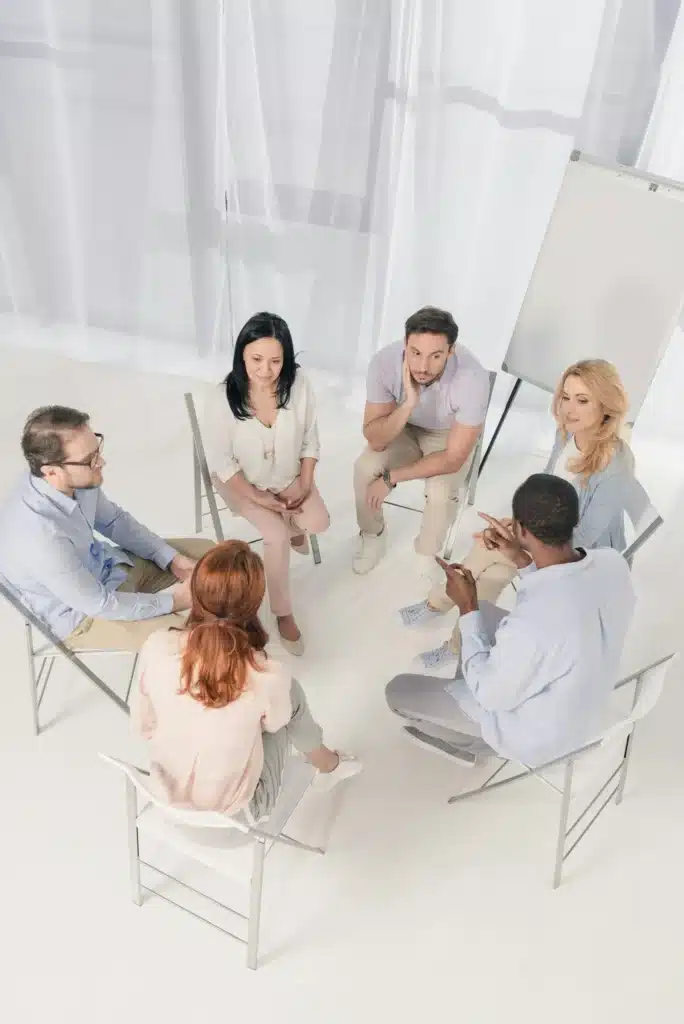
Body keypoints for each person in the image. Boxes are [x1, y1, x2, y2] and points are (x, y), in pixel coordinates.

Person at [386, 474, 635, 768]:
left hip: (540, 736)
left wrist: (466, 606)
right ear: (574, 521)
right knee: (486, 612)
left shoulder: (536, 623)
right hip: (585, 697)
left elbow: (492, 696)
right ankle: (469, 698)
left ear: (519, 528)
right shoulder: (612, 562)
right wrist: (520, 559)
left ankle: (469, 742)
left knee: (398, 690)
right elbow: (563, 592)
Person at [407, 358, 634, 669]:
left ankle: (442, 612)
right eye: (565, 397)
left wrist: (519, 538)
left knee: (489, 563)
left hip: (580, 558)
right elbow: (545, 491)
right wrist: (515, 526)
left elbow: (586, 536)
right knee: (490, 562)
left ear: (606, 406)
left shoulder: (616, 464)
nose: (569, 409)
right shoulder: (567, 434)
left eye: (582, 400)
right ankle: (453, 633)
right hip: (545, 534)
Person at [132, 541, 362, 820]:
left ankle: (326, 764)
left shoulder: (157, 645)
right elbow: (276, 724)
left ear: (195, 593)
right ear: (252, 607)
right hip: (239, 816)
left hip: (162, 797)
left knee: (250, 708)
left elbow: (143, 725)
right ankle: (328, 765)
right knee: (289, 701)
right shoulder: (267, 675)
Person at [0, 406, 213, 650]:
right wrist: (175, 601)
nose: (101, 461)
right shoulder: (38, 536)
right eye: (89, 460)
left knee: (211, 558)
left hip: (111, 568)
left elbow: (114, 521)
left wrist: (170, 558)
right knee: (188, 643)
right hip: (86, 616)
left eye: (97, 449)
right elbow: (99, 603)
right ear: (51, 472)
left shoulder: (76, 480)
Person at [205, 312, 329, 656]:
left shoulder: (299, 384)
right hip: (242, 483)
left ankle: (294, 525)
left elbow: (310, 440)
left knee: (318, 521)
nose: (265, 370)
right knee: (275, 537)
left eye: (276, 361)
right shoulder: (221, 397)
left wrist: (306, 482)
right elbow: (222, 463)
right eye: (256, 359)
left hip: (288, 476)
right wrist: (260, 499)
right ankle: (283, 612)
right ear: (241, 356)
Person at [353, 306, 490, 577]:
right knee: (365, 467)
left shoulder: (473, 378)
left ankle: (427, 552)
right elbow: (375, 439)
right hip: (403, 425)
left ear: (451, 351)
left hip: (448, 434)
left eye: (435, 356)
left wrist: (391, 477)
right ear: (405, 343)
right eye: (415, 353)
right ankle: (372, 534)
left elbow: (453, 459)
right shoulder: (384, 362)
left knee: (439, 492)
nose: (422, 366)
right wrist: (408, 405)